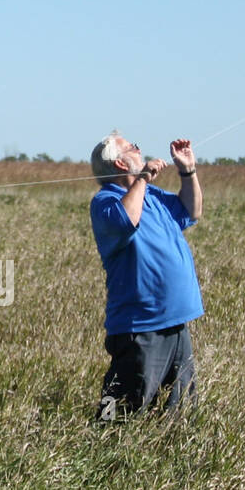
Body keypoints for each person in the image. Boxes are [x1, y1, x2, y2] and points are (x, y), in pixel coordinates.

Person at [89, 130, 204, 420]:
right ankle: (101, 444)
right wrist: (142, 179)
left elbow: (192, 210)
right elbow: (126, 220)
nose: (140, 149)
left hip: (177, 322)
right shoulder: (105, 202)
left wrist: (188, 171)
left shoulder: (153, 195)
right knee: (122, 408)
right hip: (140, 327)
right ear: (120, 164)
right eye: (132, 147)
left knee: (179, 411)